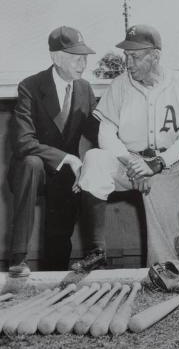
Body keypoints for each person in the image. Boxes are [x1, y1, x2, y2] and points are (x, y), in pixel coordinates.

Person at [73, 24, 179, 271]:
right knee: (95, 159)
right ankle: (96, 251)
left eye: (136, 56)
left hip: (167, 166)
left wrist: (154, 165)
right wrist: (132, 164)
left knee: (161, 261)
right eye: (126, 56)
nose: (128, 63)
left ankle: (163, 272)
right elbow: (105, 131)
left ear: (155, 56)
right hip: (128, 162)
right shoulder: (120, 84)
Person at [8, 26, 98, 276]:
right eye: (76, 57)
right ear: (56, 57)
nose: (83, 64)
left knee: (59, 235)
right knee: (31, 163)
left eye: (85, 57)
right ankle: (18, 258)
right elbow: (23, 142)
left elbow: (96, 132)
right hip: (33, 173)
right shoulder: (31, 86)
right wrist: (67, 158)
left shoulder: (85, 89)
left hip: (66, 176)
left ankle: (57, 274)